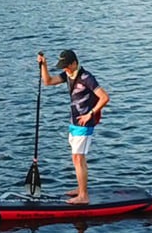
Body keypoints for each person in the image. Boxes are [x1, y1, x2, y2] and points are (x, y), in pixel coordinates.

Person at [38, 49, 109, 202]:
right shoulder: (68, 75)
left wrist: (90, 113)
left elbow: (104, 97)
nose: (64, 69)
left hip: (85, 123)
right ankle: (81, 188)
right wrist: (44, 65)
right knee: (77, 159)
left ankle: (83, 196)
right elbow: (48, 81)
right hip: (74, 123)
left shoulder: (86, 77)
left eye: (66, 66)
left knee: (78, 157)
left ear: (74, 63)